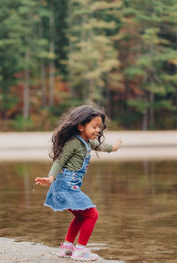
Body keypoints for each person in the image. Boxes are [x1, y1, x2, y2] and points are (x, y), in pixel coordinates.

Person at [35, 105, 122, 261]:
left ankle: (67, 248)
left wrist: (113, 148)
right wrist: (50, 178)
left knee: (81, 216)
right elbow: (59, 161)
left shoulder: (88, 141)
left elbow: (100, 146)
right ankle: (80, 250)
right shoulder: (73, 143)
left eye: (99, 128)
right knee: (92, 214)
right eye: (94, 127)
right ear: (81, 126)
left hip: (70, 186)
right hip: (65, 186)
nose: (98, 130)